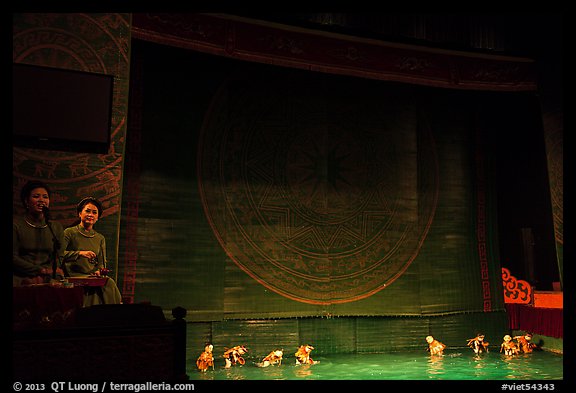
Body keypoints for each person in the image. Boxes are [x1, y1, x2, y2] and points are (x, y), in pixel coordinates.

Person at [62, 196, 122, 306]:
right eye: (87, 211)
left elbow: (101, 263)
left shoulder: (99, 238)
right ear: (80, 213)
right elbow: (59, 254)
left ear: (98, 217)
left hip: (91, 275)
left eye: (94, 212)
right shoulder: (69, 232)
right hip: (74, 274)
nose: (91, 215)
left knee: (106, 282)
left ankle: (112, 314)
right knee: (102, 285)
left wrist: (98, 271)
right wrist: (80, 253)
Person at [13, 180, 65, 286]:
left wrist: (49, 272)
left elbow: (59, 255)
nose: (41, 200)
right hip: (20, 275)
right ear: (26, 201)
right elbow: (13, 258)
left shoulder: (55, 227)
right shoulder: (16, 224)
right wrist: (40, 271)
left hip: (48, 276)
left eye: (45, 197)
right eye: (36, 196)